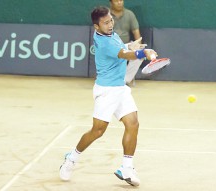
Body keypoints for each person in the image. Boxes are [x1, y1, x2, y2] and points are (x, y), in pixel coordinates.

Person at [59, 6, 157, 187]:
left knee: (133, 123)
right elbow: (123, 54)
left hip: (120, 88)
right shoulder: (104, 42)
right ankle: (71, 158)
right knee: (98, 131)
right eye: (106, 22)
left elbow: (122, 48)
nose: (110, 24)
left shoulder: (111, 35)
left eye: (111, 20)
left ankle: (126, 168)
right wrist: (144, 52)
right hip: (106, 91)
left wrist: (131, 45)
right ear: (96, 26)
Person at [109, 0, 146, 86]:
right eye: (116, 1)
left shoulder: (129, 14)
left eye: (121, 0)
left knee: (140, 53)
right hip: (111, 47)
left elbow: (136, 33)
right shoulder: (106, 15)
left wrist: (138, 45)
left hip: (126, 46)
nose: (119, 2)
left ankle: (125, 80)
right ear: (111, 2)